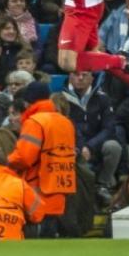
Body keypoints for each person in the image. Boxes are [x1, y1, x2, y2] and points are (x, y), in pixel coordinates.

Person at [7, 82, 77, 237]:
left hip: (37, 194)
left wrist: (6, 160)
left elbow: (24, 158)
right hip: (60, 191)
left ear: (27, 102)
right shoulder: (66, 123)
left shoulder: (34, 122)